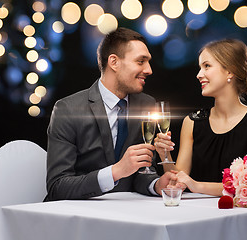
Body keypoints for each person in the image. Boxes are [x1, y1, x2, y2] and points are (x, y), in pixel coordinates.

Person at [44, 27, 175, 201]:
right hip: (78, 217)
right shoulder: (67, 109)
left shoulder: (146, 104)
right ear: (114, 62)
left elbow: (142, 171)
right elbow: (58, 186)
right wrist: (116, 172)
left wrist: (156, 185)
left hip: (128, 213)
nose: (149, 69)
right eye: (140, 61)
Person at [154, 39, 247, 196]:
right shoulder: (192, 122)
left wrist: (196, 186)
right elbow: (178, 182)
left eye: (207, 66)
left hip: (237, 214)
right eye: (200, 68)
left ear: (230, 71)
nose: (198, 75)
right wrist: (165, 154)